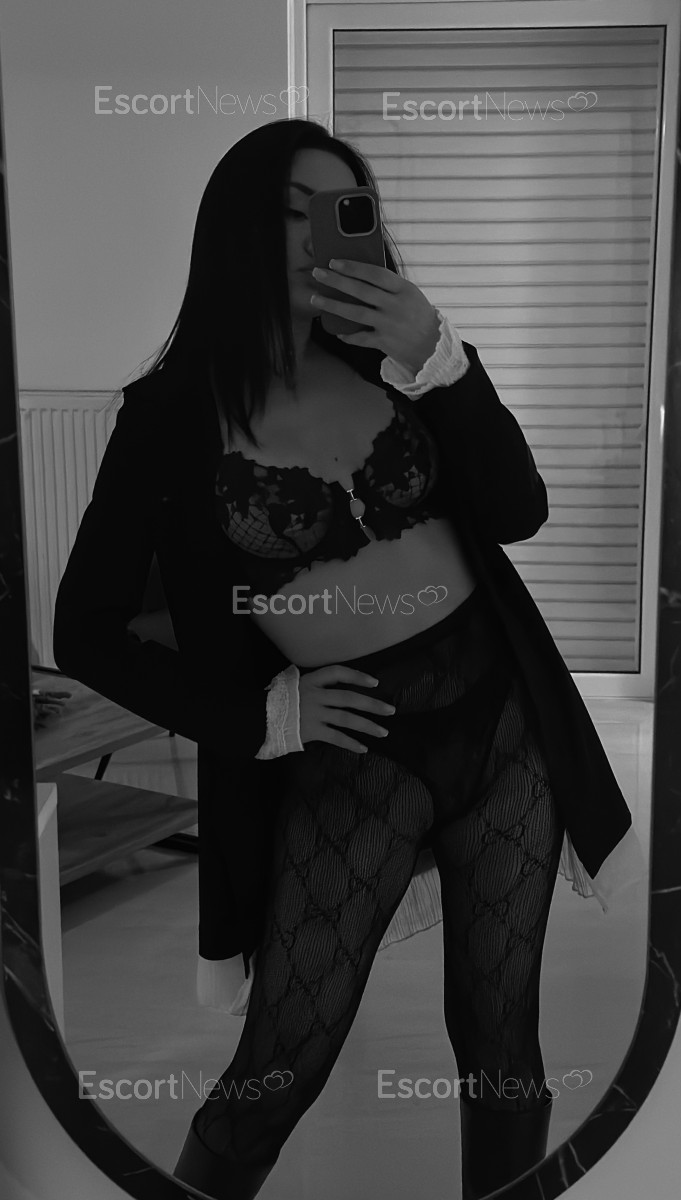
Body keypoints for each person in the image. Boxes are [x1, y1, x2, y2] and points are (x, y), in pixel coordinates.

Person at [53, 118, 641, 1200]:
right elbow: (82, 629)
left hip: (501, 717)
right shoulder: (169, 417)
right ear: (233, 231)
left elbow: (518, 511)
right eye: (292, 213)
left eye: (342, 211)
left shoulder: (400, 360)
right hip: (351, 744)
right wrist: (262, 717)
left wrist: (444, 360)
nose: (319, 238)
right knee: (280, 1062)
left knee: (501, 1037)